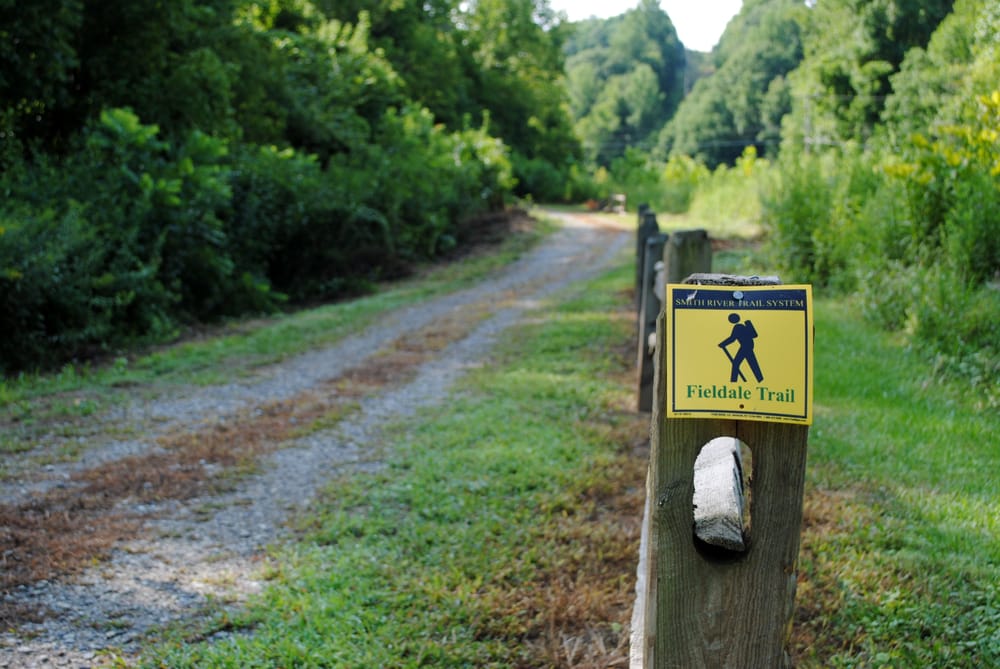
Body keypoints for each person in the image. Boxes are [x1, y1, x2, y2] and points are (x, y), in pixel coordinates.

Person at [718, 313, 763, 383]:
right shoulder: (743, 326)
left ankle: (733, 381)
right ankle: (760, 379)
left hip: (745, 346)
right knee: (753, 363)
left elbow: (732, 338)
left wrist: (723, 344)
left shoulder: (737, 327)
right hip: (749, 345)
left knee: (736, 363)